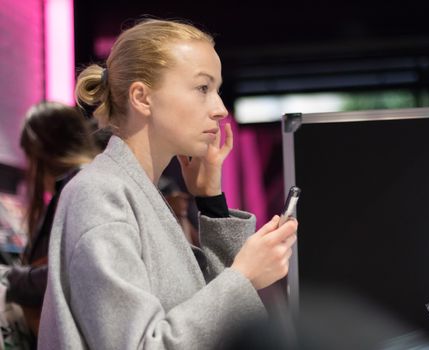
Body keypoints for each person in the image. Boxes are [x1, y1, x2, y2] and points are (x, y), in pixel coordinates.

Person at [39, 19, 298, 349]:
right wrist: (243, 277)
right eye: (203, 88)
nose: (219, 109)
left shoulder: (137, 192)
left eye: (216, 90)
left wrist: (211, 203)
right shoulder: (100, 195)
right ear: (142, 97)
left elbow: (223, 328)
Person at [5, 101, 98, 345]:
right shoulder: (88, 181)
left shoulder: (80, 186)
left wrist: (12, 279)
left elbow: (73, 272)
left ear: (39, 150)